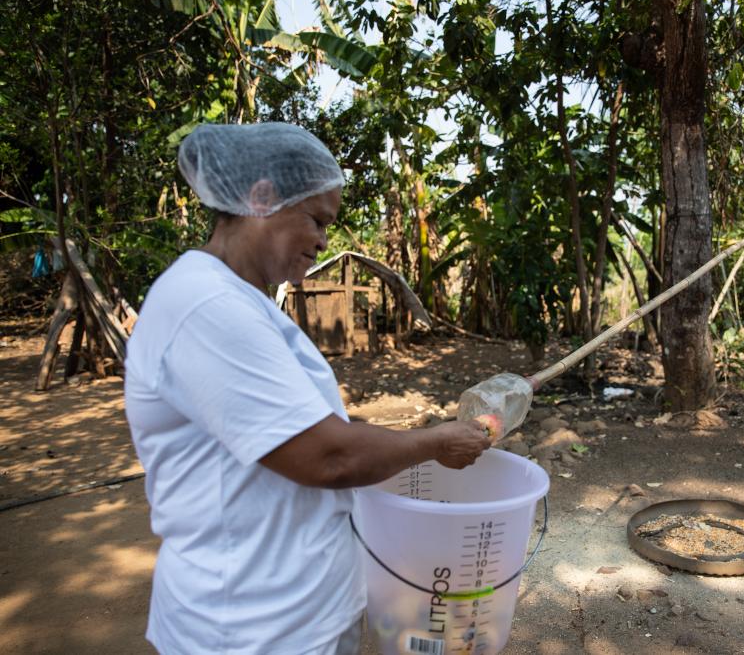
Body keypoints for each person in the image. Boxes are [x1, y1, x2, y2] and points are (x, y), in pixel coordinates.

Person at [124, 122, 492, 654]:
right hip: (252, 629)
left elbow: (310, 428)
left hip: (295, 613)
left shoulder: (242, 302)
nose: (323, 241)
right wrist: (436, 443)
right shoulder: (207, 305)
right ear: (261, 198)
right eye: (317, 220)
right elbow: (328, 457)